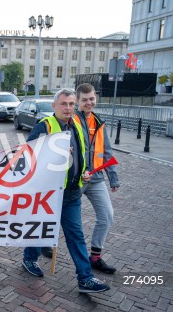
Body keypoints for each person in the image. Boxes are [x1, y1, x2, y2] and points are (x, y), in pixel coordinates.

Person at [22, 88, 110, 293]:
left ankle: (85, 278)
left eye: (71, 104)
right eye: (64, 104)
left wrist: (84, 172)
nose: (68, 108)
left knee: (76, 236)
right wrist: (52, 153)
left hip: (71, 193)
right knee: (40, 230)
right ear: (54, 106)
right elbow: (27, 156)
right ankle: (29, 258)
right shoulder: (45, 126)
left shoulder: (76, 126)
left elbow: (81, 155)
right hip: (48, 194)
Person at [75, 83, 119, 274]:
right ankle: (43, 245)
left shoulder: (99, 122)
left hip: (96, 178)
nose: (89, 103)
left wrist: (113, 177)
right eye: (84, 100)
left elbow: (107, 151)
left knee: (107, 215)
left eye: (91, 99)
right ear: (77, 101)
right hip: (75, 180)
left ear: (96, 98)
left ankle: (95, 257)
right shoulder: (71, 120)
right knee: (60, 217)